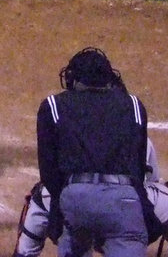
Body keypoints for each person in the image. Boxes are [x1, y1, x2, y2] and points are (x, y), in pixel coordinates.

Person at [36, 47, 154, 257]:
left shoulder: (53, 106)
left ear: (74, 79)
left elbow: (48, 173)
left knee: (69, 231)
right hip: (123, 201)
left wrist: (68, 204)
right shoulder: (134, 105)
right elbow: (138, 169)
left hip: (76, 199)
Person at [12, 138, 168, 257]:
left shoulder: (71, 134)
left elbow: (52, 180)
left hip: (76, 222)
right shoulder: (140, 136)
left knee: (38, 199)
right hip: (127, 225)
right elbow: (150, 184)